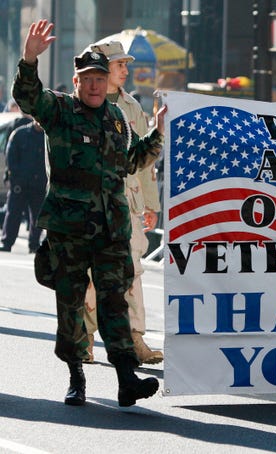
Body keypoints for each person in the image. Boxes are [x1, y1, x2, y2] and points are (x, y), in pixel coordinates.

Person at [13, 19, 166, 407]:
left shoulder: (117, 119)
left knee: (115, 300)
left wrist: (157, 133)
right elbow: (29, 96)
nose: (95, 84)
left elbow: (130, 163)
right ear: (77, 82)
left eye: (101, 76)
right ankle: (76, 375)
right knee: (72, 302)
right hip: (70, 230)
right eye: (88, 78)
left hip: (112, 229)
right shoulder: (61, 111)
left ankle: (126, 378)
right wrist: (29, 59)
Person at [81, 40, 163, 365]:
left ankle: (135, 339)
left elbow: (145, 161)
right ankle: (83, 340)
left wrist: (151, 205)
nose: (125, 70)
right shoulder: (82, 104)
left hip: (126, 205)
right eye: (119, 65)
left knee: (132, 271)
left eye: (125, 65)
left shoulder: (132, 108)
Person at [0, 118, 46, 253]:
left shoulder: (48, 137)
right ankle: (7, 242)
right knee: (13, 213)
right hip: (20, 183)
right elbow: (10, 157)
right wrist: (15, 177)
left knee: (37, 217)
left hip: (39, 184)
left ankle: (34, 244)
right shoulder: (20, 134)